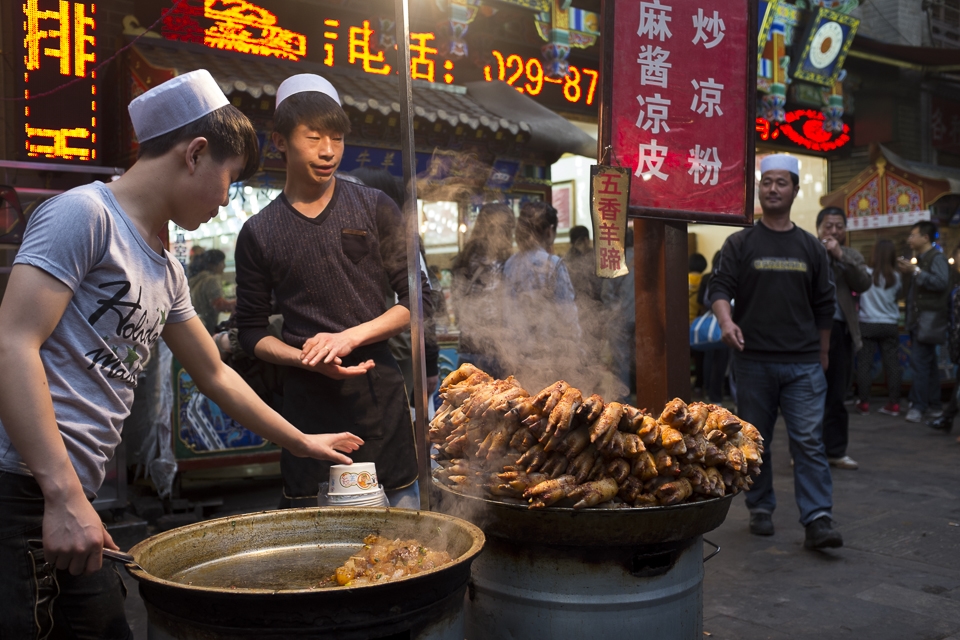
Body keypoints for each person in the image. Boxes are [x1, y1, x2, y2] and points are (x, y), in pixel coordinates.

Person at [0, 70, 363, 640]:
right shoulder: (85, 215)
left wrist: (302, 441)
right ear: (196, 154)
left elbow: (215, 373)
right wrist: (64, 496)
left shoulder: (167, 269)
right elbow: (11, 343)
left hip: (68, 493)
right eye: (230, 178)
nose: (226, 199)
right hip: (19, 486)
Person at [234, 74, 431, 510]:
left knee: (400, 537)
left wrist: (348, 337)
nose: (328, 151)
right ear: (281, 141)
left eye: (337, 138)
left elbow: (417, 303)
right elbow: (249, 332)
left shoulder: (375, 205)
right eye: (314, 137)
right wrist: (304, 355)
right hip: (308, 407)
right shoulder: (259, 231)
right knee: (318, 546)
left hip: (379, 396)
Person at [710, 154, 841, 550]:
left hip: (802, 363)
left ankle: (818, 518)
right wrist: (725, 321)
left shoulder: (810, 248)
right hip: (753, 362)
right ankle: (760, 507)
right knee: (754, 441)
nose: (772, 189)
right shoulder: (740, 242)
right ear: (760, 188)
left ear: (795, 190)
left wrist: (822, 353)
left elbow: (825, 304)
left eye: (781, 183)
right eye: (767, 182)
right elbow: (719, 288)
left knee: (809, 442)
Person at [349, 166, 440, 402]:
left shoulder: (402, 243)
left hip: (397, 357)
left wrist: (429, 363)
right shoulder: (364, 239)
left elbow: (424, 308)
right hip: (372, 356)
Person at [502, 201, 582, 392]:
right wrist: (578, 352)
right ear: (550, 230)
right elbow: (568, 317)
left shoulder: (510, 264)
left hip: (517, 361)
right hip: (550, 361)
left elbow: (505, 313)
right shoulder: (553, 264)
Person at [816, 207, 871, 471]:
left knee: (837, 394)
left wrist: (839, 255)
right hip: (811, 333)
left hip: (843, 331)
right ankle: (808, 450)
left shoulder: (851, 255)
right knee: (809, 395)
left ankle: (836, 451)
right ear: (819, 229)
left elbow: (863, 283)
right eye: (829, 226)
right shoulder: (809, 250)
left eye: (839, 226)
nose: (834, 231)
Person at [450, 203, 516, 379]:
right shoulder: (504, 264)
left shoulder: (463, 261)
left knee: (467, 405)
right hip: (498, 355)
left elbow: (457, 311)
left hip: (467, 352)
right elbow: (504, 314)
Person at [898, 221, 950, 423]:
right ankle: (934, 406)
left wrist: (916, 272)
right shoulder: (921, 259)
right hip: (919, 320)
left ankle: (919, 406)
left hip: (928, 321)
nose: (910, 239)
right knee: (927, 364)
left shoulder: (936, 258)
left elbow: (941, 282)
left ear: (925, 237)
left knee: (920, 364)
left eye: (913, 235)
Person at [856, 239, 903, 418]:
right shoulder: (897, 277)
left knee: (864, 364)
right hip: (890, 324)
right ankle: (894, 404)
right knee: (892, 364)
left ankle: (864, 403)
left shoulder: (865, 274)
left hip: (867, 323)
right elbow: (899, 296)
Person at [602, 227, 636, 401]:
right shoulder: (645, 259)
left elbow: (606, 293)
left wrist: (614, 311)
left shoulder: (615, 259)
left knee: (621, 360)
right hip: (644, 320)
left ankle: (625, 402)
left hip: (621, 319)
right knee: (646, 357)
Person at [565, 225, 604, 357]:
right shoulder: (595, 257)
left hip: (579, 309)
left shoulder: (567, 259)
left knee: (585, 347)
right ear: (586, 240)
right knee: (590, 347)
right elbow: (600, 285)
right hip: (589, 308)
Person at [698, 251, 731, 404]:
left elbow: (702, 300)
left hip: (713, 324)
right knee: (722, 360)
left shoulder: (708, 277)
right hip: (724, 322)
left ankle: (710, 393)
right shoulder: (727, 278)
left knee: (709, 358)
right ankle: (718, 395)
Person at [188, 248, 236, 334]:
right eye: (222, 263)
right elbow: (219, 305)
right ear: (214, 265)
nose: (224, 266)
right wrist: (240, 302)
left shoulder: (196, 278)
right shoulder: (211, 280)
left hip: (195, 326)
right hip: (207, 327)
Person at [689, 253, 708, 395]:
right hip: (698, 325)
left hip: (682, 325)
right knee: (701, 357)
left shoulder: (681, 278)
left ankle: (685, 382)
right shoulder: (705, 280)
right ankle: (699, 385)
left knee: (683, 356)